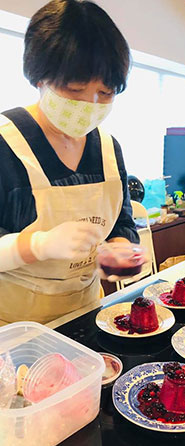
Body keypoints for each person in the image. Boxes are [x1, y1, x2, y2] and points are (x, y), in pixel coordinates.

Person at [0, 0, 139, 325]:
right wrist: (39, 245)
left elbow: (122, 222)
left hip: (87, 314)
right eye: (74, 88)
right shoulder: (6, 145)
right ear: (39, 78)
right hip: (14, 327)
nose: (89, 104)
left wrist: (120, 248)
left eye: (106, 93)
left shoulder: (109, 148)